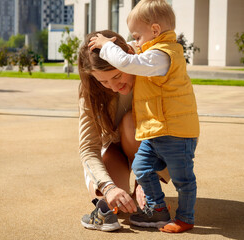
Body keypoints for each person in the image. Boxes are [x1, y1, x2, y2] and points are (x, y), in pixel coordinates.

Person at [89, 0, 200, 233]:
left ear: (156, 31)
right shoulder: (153, 52)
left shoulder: (162, 55)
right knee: (142, 166)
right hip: (157, 131)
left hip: (175, 133)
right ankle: (157, 209)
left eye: (137, 37)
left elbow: (128, 60)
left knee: (184, 180)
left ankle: (185, 218)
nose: (135, 43)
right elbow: (133, 52)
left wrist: (106, 45)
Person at [78, 30, 170, 232]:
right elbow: (88, 148)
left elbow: (179, 124)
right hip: (115, 147)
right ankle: (110, 201)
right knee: (112, 202)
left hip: (150, 144)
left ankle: (145, 182)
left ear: (128, 55)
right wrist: (109, 188)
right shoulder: (90, 92)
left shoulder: (149, 63)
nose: (113, 87)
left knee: (129, 122)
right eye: (103, 82)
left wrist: (145, 180)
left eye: (117, 75)